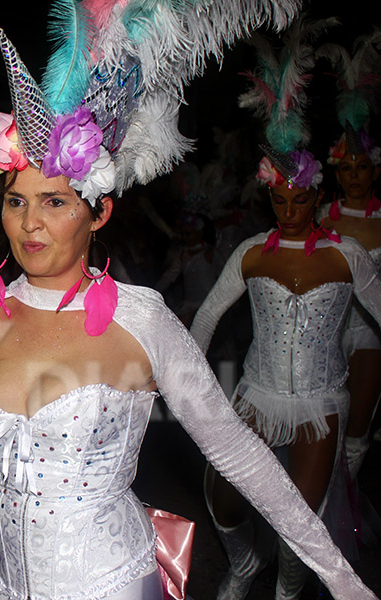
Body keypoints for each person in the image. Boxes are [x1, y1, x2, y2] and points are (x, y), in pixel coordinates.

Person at [0, 10, 376, 600]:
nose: (30, 224)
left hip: (108, 582)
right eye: (17, 202)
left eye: (56, 203)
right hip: (1, 580)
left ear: (99, 213)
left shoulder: (141, 320)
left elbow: (240, 454)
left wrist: (343, 580)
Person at [191, 20, 375, 599]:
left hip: (320, 403)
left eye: (300, 199)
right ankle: (245, 566)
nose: (290, 209)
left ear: (317, 197)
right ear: (268, 195)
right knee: (220, 497)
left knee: (300, 522)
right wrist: (188, 382)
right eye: (279, 198)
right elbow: (205, 319)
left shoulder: (348, 257)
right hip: (256, 394)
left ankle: (287, 593)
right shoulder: (250, 254)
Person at [314, 31, 381, 478]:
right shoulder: (320, 216)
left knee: (358, 431)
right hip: (329, 331)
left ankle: (349, 519)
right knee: (326, 432)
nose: (355, 176)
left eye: (363, 167)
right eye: (348, 168)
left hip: (372, 333)